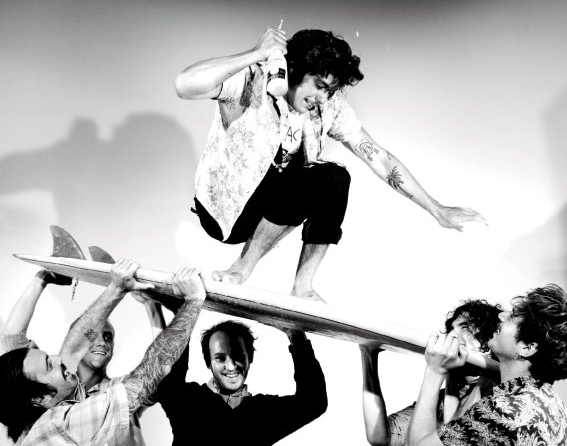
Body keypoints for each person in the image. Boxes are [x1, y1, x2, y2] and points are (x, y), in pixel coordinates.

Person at [176, 26, 486, 301]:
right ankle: (241, 269)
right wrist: (256, 53)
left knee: (334, 177)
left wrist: (436, 209)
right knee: (304, 175)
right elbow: (185, 84)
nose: (323, 98)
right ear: (295, 69)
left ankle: (303, 287)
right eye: (320, 86)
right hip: (224, 211)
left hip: (267, 209)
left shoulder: (330, 109)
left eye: (331, 91)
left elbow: (379, 158)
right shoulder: (254, 79)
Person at [0, 259, 206, 445]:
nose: (101, 343)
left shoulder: (75, 390)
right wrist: (42, 277)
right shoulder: (57, 421)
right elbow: (71, 343)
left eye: (108, 338)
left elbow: (158, 377)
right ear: (39, 398)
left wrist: (151, 305)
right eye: (94, 338)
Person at [406, 284, 567, 445]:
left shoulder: (504, 410)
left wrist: (436, 371)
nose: (502, 315)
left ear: (527, 348)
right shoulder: (554, 404)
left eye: (512, 317)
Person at [155, 319, 327, 446]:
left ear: (249, 358)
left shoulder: (262, 413)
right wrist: (184, 315)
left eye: (238, 356)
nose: (231, 366)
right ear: (209, 362)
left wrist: (295, 335)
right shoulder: (188, 401)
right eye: (220, 358)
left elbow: (313, 402)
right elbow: (169, 382)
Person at [360, 299, 502, 445]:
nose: (452, 334)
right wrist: (368, 354)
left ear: (489, 337)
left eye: (465, 327)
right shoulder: (444, 397)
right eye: (451, 329)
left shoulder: (500, 395)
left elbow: (454, 437)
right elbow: (380, 437)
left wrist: (437, 372)